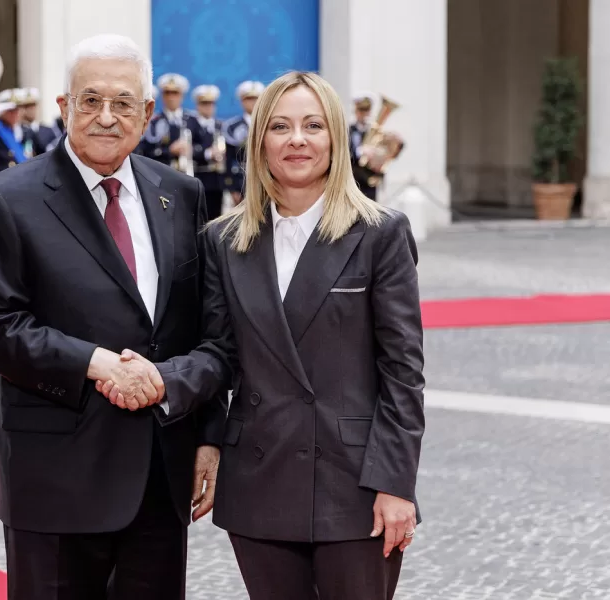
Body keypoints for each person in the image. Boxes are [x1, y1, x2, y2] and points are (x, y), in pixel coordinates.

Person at [99, 71, 425, 600]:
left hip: (358, 484)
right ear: (260, 142)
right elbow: (219, 353)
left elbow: (403, 372)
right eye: (280, 126)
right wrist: (165, 382)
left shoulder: (380, 233)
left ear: (336, 139)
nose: (297, 139)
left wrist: (396, 483)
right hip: (260, 478)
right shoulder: (224, 241)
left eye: (313, 125)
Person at [0, 33, 228, 600]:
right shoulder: (7, 199)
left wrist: (208, 436)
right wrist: (99, 364)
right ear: (64, 106)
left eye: (124, 102)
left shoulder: (180, 194)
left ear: (147, 112)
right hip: (56, 479)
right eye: (91, 100)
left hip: (160, 477)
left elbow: (209, 330)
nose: (107, 117)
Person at [222, 80, 264, 205]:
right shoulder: (232, 127)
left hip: (264, 178)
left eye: (255, 98)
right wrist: (232, 187)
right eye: (248, 99)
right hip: (241, 179)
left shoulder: (269, 124)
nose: (252, 102)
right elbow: (228, 159)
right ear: (242, 101)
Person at [190, 84, 227, 221]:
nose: (208, 107)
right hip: (199, 176)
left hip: (217, 180)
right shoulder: (190, 125)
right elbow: (187, 150)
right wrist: (207, 153)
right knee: (199, 218)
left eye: (211, 103)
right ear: (198, 105)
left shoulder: (220, 125)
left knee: (216, 217)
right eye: (204, 103)